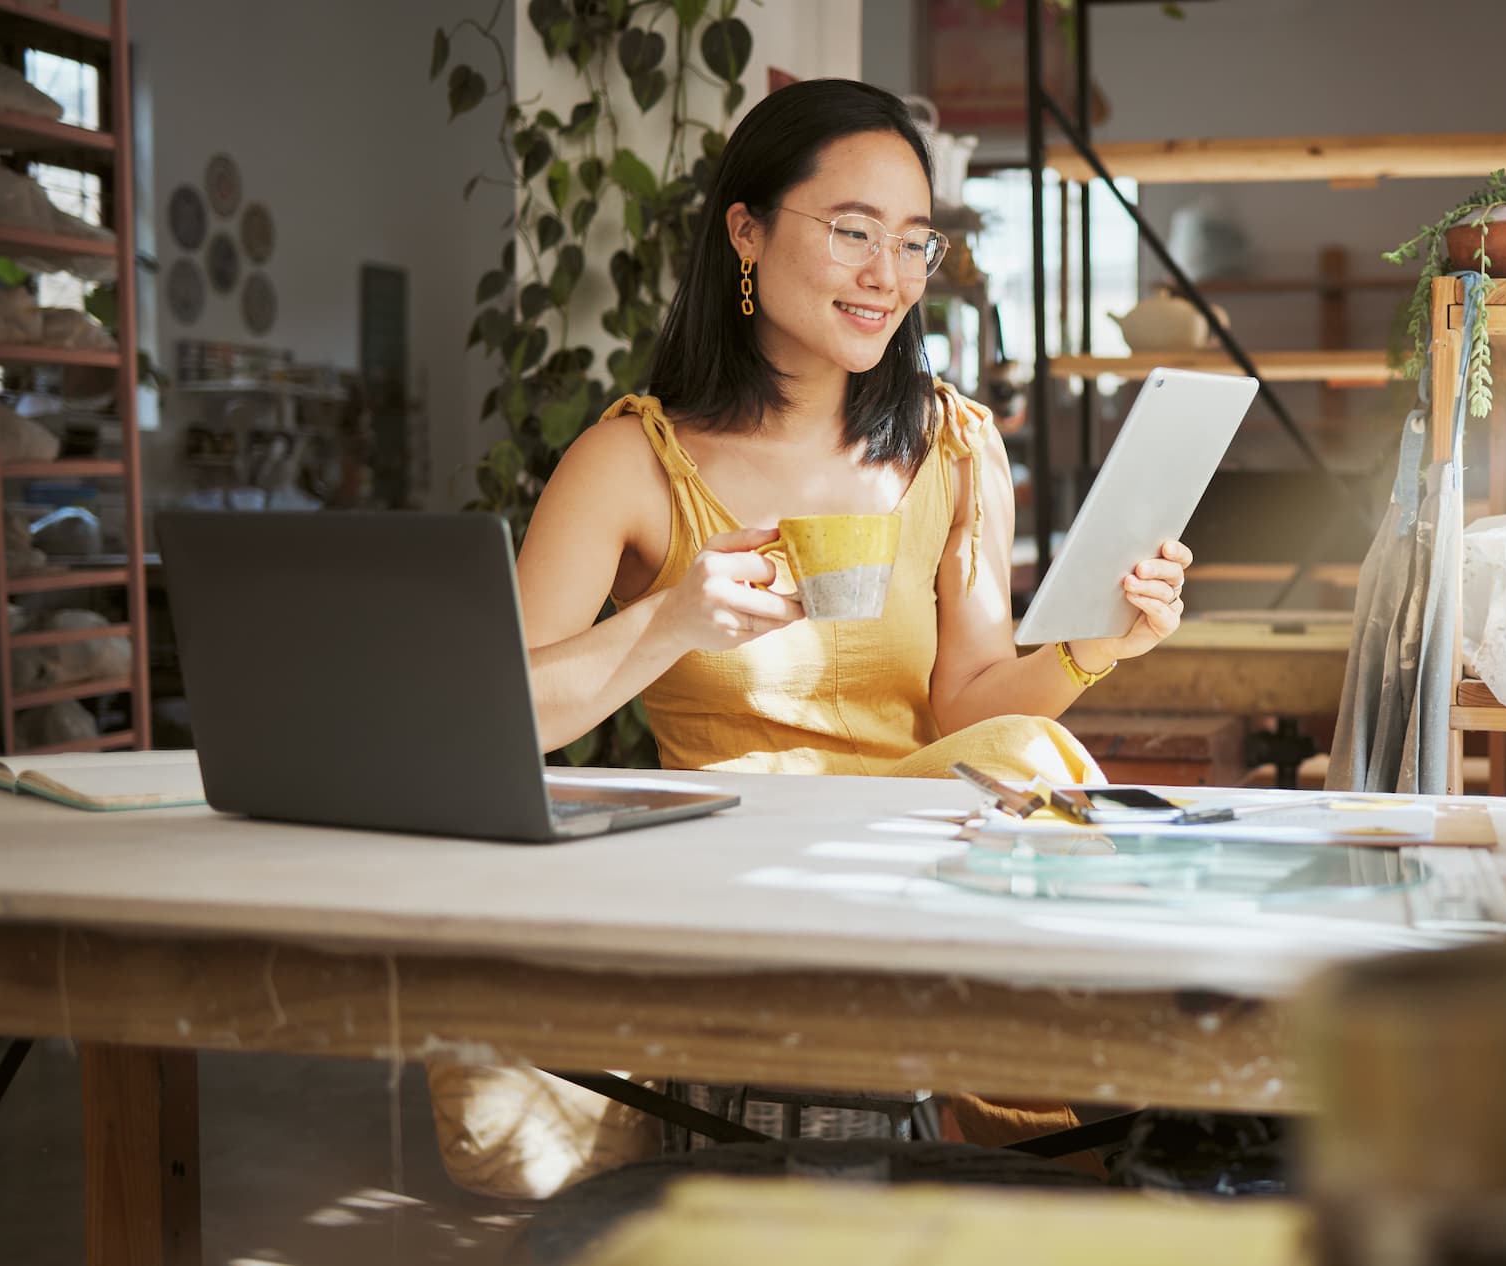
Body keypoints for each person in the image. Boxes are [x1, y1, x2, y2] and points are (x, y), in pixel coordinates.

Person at [431, 78, 1194, 1198]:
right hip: (730, 858)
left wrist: (1098, 645)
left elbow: (969, 708)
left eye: (913, 242)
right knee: (506, 1122)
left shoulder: (954, 445)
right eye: (851, 232)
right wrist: (665, 621)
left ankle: (1095, 1124)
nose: (887, 276)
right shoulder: (631, 462)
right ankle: (1112, 1126)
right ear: (744, 230)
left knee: (1028, 763)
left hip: (917, 860)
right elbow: (495, 723)